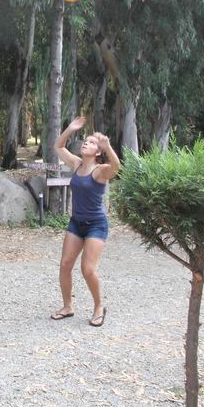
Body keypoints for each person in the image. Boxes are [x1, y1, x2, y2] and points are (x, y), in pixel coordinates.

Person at [50, 116, 121, 327]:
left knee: (87, 269)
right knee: (65, 265)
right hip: (76, 223)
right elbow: (58, 146)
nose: (85, 143)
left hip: (96, 225)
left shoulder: (100, 171)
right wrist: (70, 129)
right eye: (85, 141)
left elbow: (116, 167)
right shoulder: (76, 163)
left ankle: (99, 307)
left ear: (98, 152)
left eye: (91, 142)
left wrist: (107, 146)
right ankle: (67, 307)